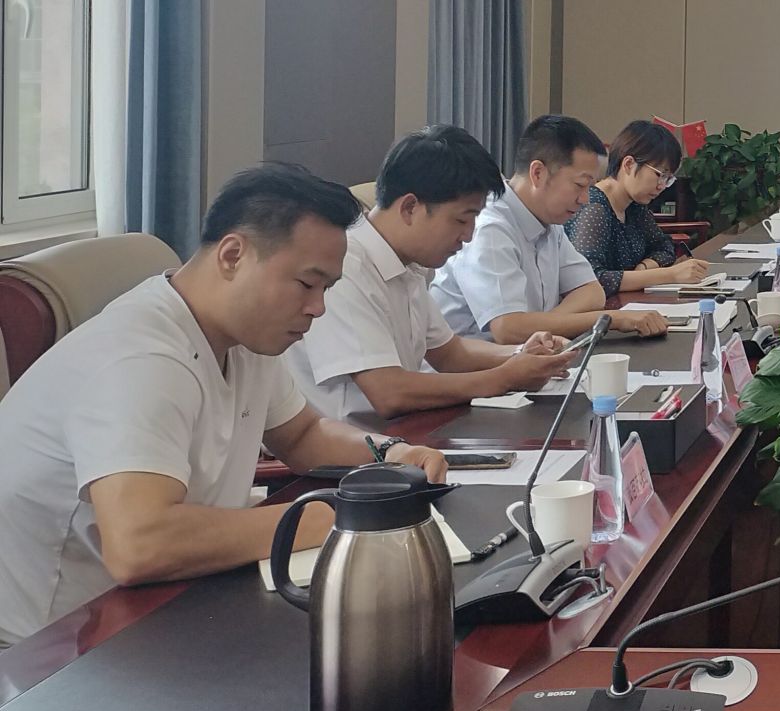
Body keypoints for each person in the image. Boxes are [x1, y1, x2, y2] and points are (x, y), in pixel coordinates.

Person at [0, 165, 450, 648]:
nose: (318, 308)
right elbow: (140, 545)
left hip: (159, 606)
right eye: (306, 284)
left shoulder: (244, 335)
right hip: (50, 651)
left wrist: (389, 453)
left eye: (327, 290)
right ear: (233, 255)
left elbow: (302, 435)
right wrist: (329, 517)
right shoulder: (140, 358)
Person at [288, 126, 583, 421]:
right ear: (410, 208)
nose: (468, 236)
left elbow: (451, 353)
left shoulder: (409, 265)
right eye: (461, 220)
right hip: (354, 443)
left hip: (404, 432)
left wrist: (523, 354)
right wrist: (505, 377)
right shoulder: (346, 265)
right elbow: (389, 392)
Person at [431, 115, 668, 343]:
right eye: (580, 185)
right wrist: (612, 319)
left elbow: (592, 291)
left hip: (529, 358)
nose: (585, 199)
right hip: (476, 366)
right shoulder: (490, 227)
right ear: (538, 173)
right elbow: (507, 329)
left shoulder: (549, 221)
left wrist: (541, 327)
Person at [568, 120, 709, 296]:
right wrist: (669, 275)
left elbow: (664, 247)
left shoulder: (634, 206)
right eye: (660, 175)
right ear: (628, 164)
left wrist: (643, 269)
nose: (662, 186)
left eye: (668, 179)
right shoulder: (594, 208)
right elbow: (591, 280)